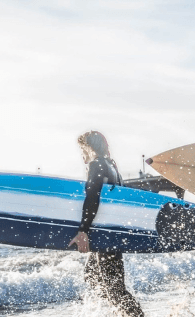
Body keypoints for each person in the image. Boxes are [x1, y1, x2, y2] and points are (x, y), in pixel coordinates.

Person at [68, 131, 145, 317]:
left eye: (82, 149)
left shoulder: (96, 165)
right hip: (110, 231)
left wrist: (82, 231)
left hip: (105, 234)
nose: (81, 154)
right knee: (92, 275)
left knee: (115, 290)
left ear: (88, 147)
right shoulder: (112, 166)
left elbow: (92, 197)